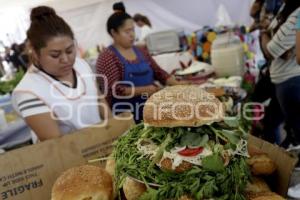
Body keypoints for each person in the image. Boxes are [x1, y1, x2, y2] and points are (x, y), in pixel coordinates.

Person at [12, 6, 111, 141]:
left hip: (101, 143)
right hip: (69, 156)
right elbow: (56, 143)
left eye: (70, 51)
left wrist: (113, 128)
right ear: (35, 53)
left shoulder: (81, 65)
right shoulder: (28, 91)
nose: (66, 59)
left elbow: (99, 99)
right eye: (55, 55)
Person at [96, 12, 187, 123]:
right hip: (127, 117)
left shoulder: (140, 51)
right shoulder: (107, 57)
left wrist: (181, 86)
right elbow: (114, 90)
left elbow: (159, 73)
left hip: (151, 111)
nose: (132, 35)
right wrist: (146, 90)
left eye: (133, 30)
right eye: (127, 31)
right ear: (113, 33)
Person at [260, 0, 300, 146]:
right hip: (284, 80)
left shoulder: (298, 14)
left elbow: (271, 50)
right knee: (271, 123)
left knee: (295, 132)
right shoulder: (287, 8)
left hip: (290, 81)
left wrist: (263, 31)